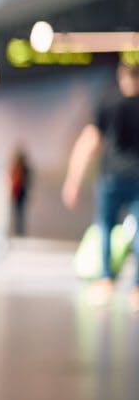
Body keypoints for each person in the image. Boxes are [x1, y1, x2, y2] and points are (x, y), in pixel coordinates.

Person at [62, 61, 139, 306]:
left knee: (105, 226)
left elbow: (89, 142)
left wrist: (73, 180)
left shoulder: (109, 103)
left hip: (111, 177)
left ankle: (104, 280)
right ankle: (137, 288)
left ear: (120, 76)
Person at [8, 146, 30, 236]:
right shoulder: (20, 168)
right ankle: (18, 231)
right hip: (18, 193)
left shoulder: (21, 168)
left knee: (18, 213)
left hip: (18, 193)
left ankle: (19, 231)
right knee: (19, 213)